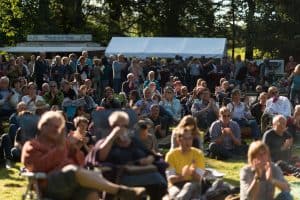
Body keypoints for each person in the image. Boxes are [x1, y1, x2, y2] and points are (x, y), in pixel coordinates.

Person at [21, 111, 145, 200]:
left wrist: (75, 149)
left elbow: (81, 163)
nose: (57, 130)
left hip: (72, 183)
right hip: (49, 184)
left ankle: (122, 192)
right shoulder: (32, 145)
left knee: (89, 193)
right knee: (72, 170)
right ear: (43, 126)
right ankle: (122, 191)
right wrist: (61, 148)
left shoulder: (62, 144)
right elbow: (37, 166)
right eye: (54, 127)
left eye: (59, 127)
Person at [95, 111, 167, 199]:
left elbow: (150, 154)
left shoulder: (133, 141)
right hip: (121, 177)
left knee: (159, 182)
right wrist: (113, 135)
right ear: (111, 127)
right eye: (117, 125)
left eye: (124, 126)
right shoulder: (105, 141)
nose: (121, 128)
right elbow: (100, 157)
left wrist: (149, 159)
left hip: (144, 173)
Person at [165, 127, 205, 200]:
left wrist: (192, 172)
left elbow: (198, 179)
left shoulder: (198, 154)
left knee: (188, 186)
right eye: (185, 139)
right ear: (179, 140)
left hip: (193, 183)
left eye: (190, 138)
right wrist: (182, 176)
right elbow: (170, 179)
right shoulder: (171, 155)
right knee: (175, 194)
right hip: (175, 185)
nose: (188, 141)